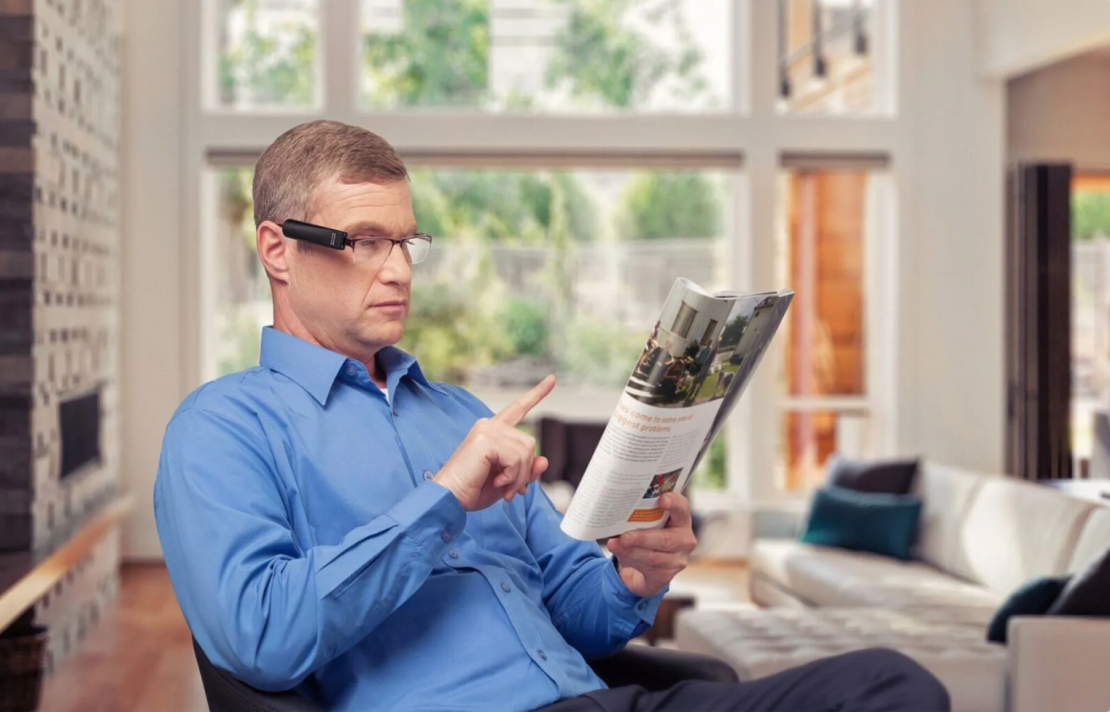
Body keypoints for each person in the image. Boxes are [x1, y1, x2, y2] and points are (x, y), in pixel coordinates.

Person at [153, 120, 950, 712]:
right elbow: (260, 640)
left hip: (594, 699)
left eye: (406, 242)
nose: (398, 271)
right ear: (278, 250)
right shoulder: (222, 428)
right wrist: (442, 498)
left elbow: (579, 611)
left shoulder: (459, 413)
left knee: (893, 684)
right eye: (363, 241)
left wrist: (634, 577)